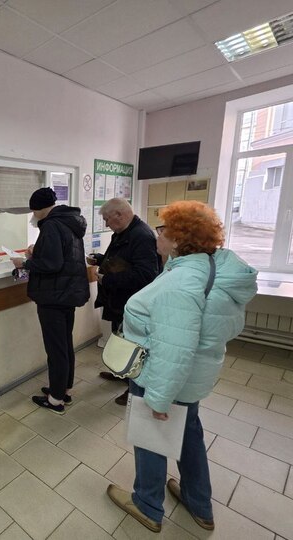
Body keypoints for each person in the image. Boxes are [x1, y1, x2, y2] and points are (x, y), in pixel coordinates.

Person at [106, 200, 257, 533]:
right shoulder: (209, 268)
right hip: (193, 376)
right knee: (189, 434)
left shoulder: (181, 282)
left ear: (178, 239)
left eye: (162, 230)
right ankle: (198, 502)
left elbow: (174, 347)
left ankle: (147, 505)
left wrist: (159, 399)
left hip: (165, 377)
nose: (156, 236)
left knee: (151, 437)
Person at [13, 187, 90, 415]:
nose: (33, 216)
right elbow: (61, 257)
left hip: (54, 296)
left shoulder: (51, 225)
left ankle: (55, 400)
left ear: (40, 209)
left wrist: (25, 263)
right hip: (68, 294)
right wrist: (37, 252)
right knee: (64, 344)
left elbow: (52, 264)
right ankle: (63, 389)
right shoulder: (69, 222)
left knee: (56, 349)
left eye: (34, 211)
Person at [88, 198, 160, 405]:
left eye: (106, 219)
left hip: (133, 303)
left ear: (119, 215)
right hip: (119, 300)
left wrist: (107, 280)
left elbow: (146, 274)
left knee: (133, 346)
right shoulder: (124, 233)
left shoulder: (141, 236)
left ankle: (134, 388)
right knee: (121, 340)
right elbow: (122, 260)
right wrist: (101, 259)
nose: (106, 223)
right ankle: (122, 372)